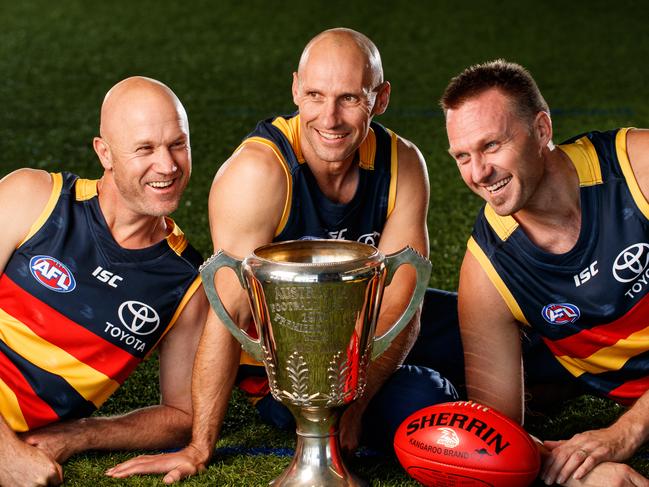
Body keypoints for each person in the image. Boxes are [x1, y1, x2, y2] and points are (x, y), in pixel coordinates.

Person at [106, 27, 457, 483]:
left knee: (514, 338)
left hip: (368, 334)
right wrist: (198, 447)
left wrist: (358, 400)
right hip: (290, 367)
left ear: (381, 98)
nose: (329, 118)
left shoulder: (401, 163)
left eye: (350, 98)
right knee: (424, 402)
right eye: (314, 95)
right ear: (295, 88)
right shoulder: (259, 172)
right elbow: (227, 312)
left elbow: (403, 300)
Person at [441, 59, 649, 486]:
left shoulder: (639, 169)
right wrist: (580, 475)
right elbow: (496, 438)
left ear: (541, 130)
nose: (478, 173)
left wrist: (628, 430)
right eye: (463, 156)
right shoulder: (488, 273)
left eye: (492, 146)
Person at [0, 76, 208, 486]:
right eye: (145, 149)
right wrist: (6, 452)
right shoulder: (33, 198)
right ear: (105, 153)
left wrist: (79, 436)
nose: (167, 165)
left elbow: (182, 416)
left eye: (177, 144)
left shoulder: (185, 283)